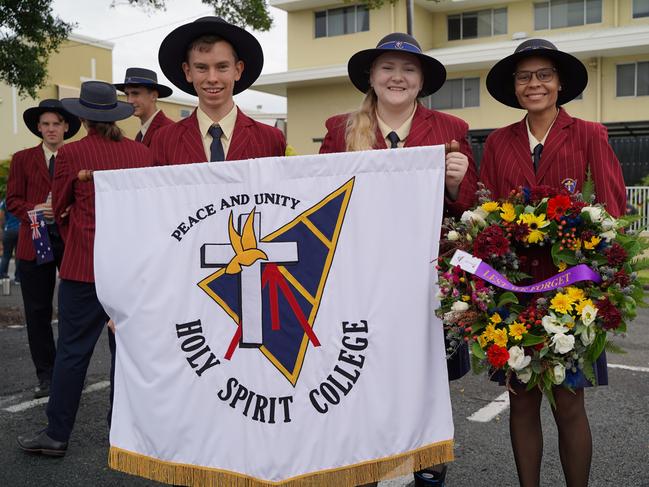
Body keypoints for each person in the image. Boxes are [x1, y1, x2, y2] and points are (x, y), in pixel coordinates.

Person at [319, 32, 478, 487]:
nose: (397, 77)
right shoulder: (339, 128)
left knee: (423, 377)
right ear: (371, 75)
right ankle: (364, 462)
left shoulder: (450, 129)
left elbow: (467, 209)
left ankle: (424, 463)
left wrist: (455, 184)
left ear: (422, 79)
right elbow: (320, 199)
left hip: (424, 279)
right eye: (387, 67)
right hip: (358, 277)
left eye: (408, 69)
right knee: (359, 371)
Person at [480, 39, 626, 487]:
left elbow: (613, 208)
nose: (534, 83)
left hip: (574, 289)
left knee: (569, 400)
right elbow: (484, 218)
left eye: (544, 74)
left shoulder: (589, 134)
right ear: (514, 87)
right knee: (521, 399)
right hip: (513, 289)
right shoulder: (498, 142)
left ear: (560, 83)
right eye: (524, 77)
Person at [17, 81, 153, 457]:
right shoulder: (141, 153)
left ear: (82, 116)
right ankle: (122, 434)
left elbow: (57, 207)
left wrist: (74, 226)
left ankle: (57, 434)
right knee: (126, 355)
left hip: (84, 265)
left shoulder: (72, 154)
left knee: (73, 352)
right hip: (129, 268)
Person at [6, 99, 81, 398]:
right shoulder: (23, 159)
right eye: (46, 124)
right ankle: (46, 376)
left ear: (66, 127)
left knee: (73, 308)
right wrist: (33, 210)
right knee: (37, 310)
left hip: (69, 237)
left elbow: (82, 196)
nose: (51, 129)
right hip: (34, 238)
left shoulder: (75, 156)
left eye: (56, 124)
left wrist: (66, 210)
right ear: (39, 127)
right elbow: (12, 200)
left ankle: (68, 373)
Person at [151, 16, 286, 164]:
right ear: (188, 71)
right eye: (201, 68)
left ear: (238, 70)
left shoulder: (271, 140)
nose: (212, 78)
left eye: (222, 67)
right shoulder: (164, 140)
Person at [114, 67, 174, 146]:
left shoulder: (170, 132)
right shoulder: (140, 135)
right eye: (127, 94)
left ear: (154, 96)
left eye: (135, 93)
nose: (129, 101)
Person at [0, 199, 20, 282]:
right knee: (18, 256)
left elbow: (1, 216)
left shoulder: (5, 202)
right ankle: (18, 278)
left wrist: (3, 228)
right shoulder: (21, 200)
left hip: (8, 230)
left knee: (6, 255)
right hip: (20, 229)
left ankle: (2, 276)